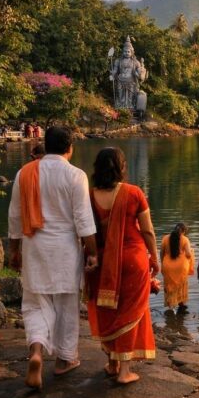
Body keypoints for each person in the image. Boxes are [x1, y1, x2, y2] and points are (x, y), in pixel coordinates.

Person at [7, 126, 98, 389]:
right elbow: (84, 219)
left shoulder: (24, 173)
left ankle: (36, 351)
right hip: (66, 250)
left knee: (35, 303)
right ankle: (64, 360)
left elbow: (15, 216)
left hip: (34, 248)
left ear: (45, 145)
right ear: (70, 148)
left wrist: (14, 250)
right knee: (67, 305)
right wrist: (92, 253)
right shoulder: (75, 175)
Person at [86, 147, 158, 384]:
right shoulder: (134, 193)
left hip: (103, 262)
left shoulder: (89, 195)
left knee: (109, 310)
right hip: (133, 259)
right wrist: (155, 258)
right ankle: (125, 370)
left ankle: (112, 362)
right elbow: (147, 230)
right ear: (122, 167)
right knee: (129, 312)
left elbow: (87, 232)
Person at [161, 222, 194, 312]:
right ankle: (181, 304)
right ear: (183, 232)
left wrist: (162, 264)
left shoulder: (165, 238)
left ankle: (170, 306)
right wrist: (191, 251)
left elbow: (162, 253)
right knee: (181, 285)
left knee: (169, 285)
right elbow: (188, 254)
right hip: (181, 267)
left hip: (167, 266)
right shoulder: (185, 239)